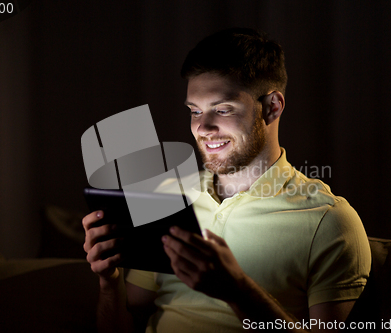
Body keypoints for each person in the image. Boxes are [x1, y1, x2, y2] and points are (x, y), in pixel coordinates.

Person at [82, 28, 371, 332]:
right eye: (195, 111)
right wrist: (109, 282)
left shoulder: (329, 221)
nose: (203, 128)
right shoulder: (166, 198)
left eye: (222, 109)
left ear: (271, 107)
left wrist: (237, 291)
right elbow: (129, 323)